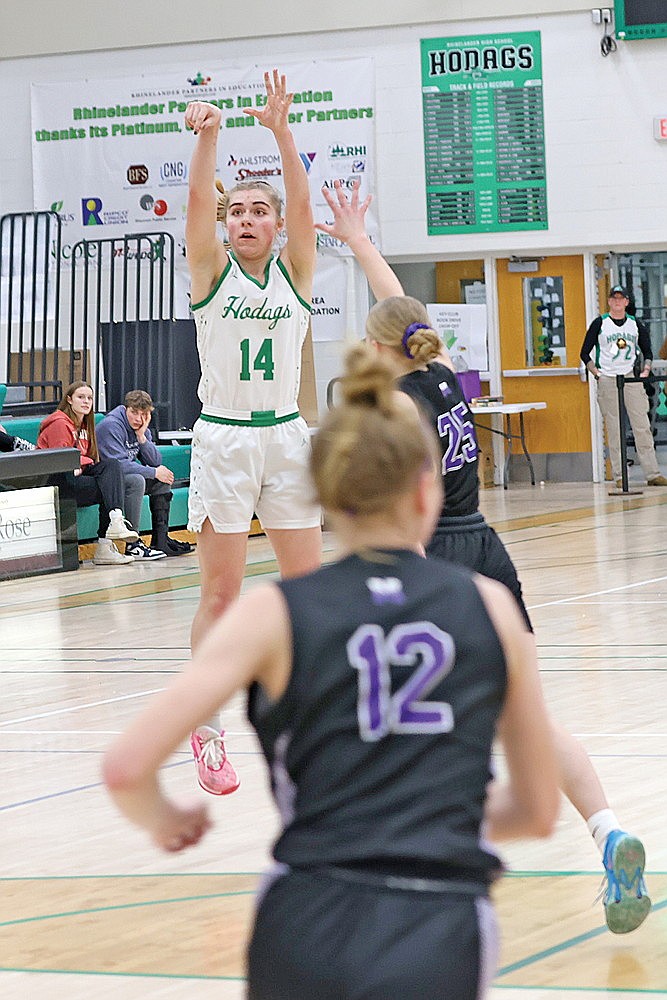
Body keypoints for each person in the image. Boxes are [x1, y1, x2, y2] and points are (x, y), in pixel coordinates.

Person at [103, 344, 559, 1000]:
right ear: (426, 486)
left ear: (322, 494)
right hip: (438, 915)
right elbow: (538, 811)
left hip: (305, 913)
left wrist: (165, 819)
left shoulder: (272, 614)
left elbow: (125, 768)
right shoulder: (487, 607)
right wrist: (422, 817)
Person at [315, 180, 652, 935]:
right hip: (488, 550)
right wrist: (360, 240)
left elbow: (396, 496)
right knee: (525, 714)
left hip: (433, 558)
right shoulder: (437, 372)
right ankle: (607, 831)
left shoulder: (397, 403)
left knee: (402, 720)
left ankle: (406, 877)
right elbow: (395, 304)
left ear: (376, 349)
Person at [183, 69, 322, 793]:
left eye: (256, 210)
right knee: (220, 596)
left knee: (309, 591)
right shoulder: (209, 272)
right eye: (233, 210)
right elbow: (197, 207)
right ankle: (207, 731)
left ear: (273, 223)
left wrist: (280, 131)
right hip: (227, 437)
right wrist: (208, 139)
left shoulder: (297, 271)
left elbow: (304, 204)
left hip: (288, 438)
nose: (243, 218)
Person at [37, 381, 138, 566]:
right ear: (69, 399)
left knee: (111, 467)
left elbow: (90, 461)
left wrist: (86, 462)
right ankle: (105, 544)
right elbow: (62, 460)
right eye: (80, 397)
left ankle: (116, 519)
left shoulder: (85, 425)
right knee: (110, 489)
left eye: (89, 398)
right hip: (55, 482)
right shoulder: (59, 423)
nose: (86, 402)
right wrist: (86, 461)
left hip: (76, 478)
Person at [580, 284, 667, 488]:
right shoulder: (599, 323)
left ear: (627, 302)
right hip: (609, 378)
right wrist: (597, 373)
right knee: (615, 427)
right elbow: (584, 352)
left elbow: (647, 350)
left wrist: (645, 371)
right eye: (614, 298)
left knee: (642, 426)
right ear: (609, 301)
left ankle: (652, 473)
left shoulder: (635, 324)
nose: (617, 302)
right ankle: (620, 475)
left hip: (630, 377)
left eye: (621, 299)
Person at [96, 389, 194, 561]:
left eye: (144, 414)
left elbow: (155, 461)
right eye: (134, 412)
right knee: (137, 480)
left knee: (162, 481)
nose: (138, 419)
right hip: (105, 480)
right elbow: (118, 466)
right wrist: (154, 472)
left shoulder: (141, 427)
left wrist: (142, 437)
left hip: (122, 476)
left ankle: (160, 540)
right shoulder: (111, 425)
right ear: (125, 408)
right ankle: (133, 544)